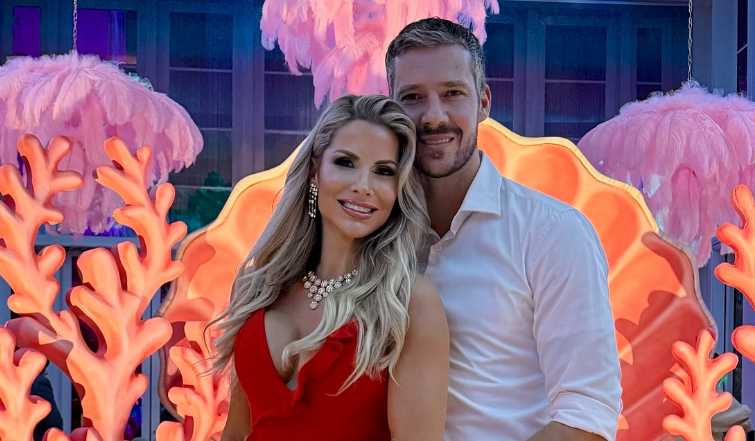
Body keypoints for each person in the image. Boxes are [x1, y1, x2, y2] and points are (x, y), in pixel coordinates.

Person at [385, 18, 623, 441]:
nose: (433, 116)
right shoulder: (372, 234)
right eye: (413, 97)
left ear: (483, 102)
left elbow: (587, 412)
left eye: (453, 93)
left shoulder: (553, 234)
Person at [211, 94, 450, 441]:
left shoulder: (410, 303)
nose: (363, 186)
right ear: (314, 171)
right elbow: (234, 433)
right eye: (346, 162)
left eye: (383, 171)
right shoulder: (258, 284)